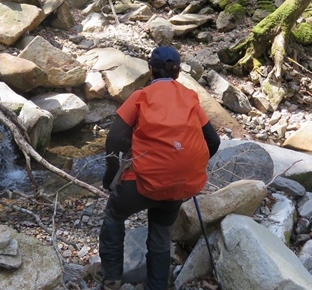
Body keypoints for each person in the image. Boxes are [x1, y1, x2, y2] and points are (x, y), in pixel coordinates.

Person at [94, 46, 221, 290]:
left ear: (150, 69)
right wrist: (191, 167)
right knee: (161, 236)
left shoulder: (141, 96)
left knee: (114, 216)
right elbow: (213, 141)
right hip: (178, 186)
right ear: (178, 72)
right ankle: (156, 286)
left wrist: (111, 173)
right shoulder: (190, 97)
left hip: (140, 183)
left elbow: (114, 139)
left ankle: (111, 278)